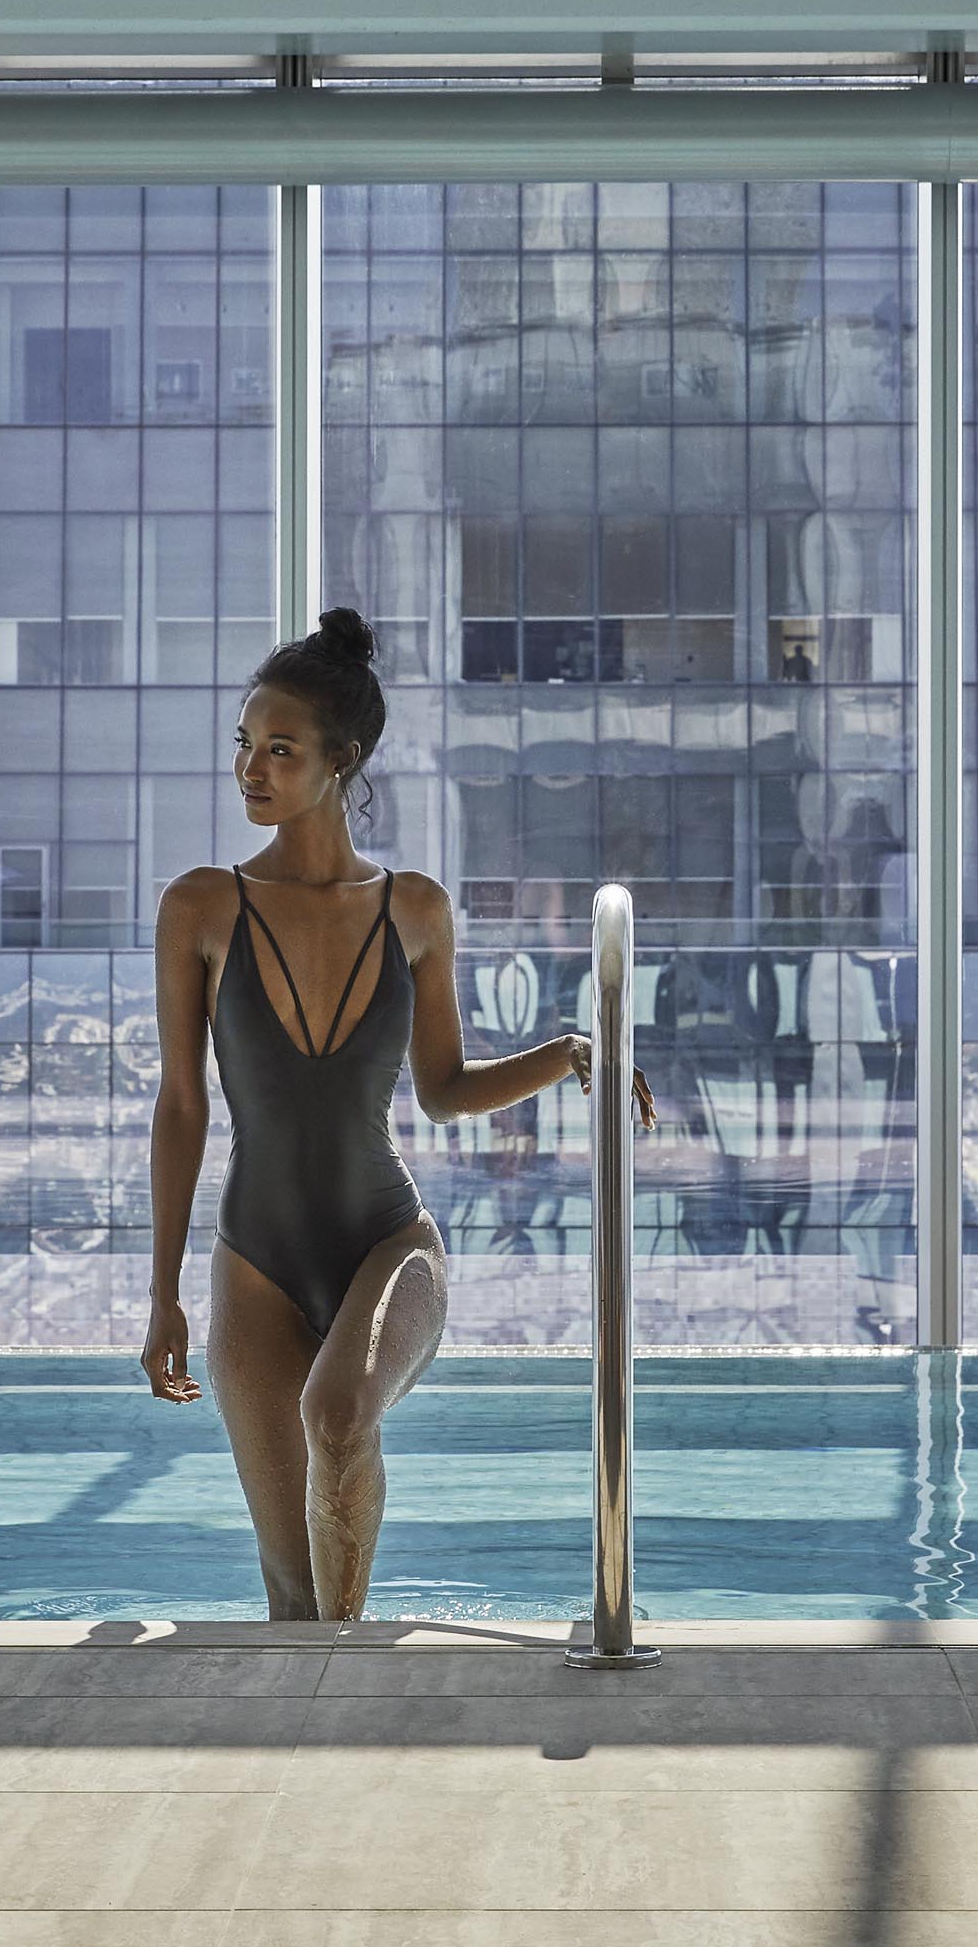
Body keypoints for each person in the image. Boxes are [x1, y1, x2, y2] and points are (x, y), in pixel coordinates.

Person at [140, 605, 653, 1621]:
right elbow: (182, 1105)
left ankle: (351, 1690)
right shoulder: (200, 906)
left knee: (337, 1415)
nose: (251, 769)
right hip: (254, 1262)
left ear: (343, 760)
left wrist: (567, 1051)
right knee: (292, 1589)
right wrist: (163, 1294)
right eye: (244, 746)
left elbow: (443, 1090)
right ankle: (324, 1733)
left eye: (278, 750)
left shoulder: (413, 908)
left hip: (388, 1241)